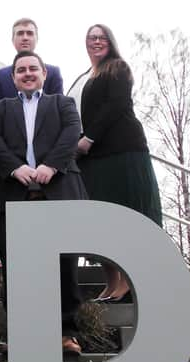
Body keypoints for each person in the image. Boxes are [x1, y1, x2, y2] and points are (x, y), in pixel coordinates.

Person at [0, 51, 86, 354]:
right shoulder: (1, 108)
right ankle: (21, 335)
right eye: (21, 70)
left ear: (44, 73)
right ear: (13, 78)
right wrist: (16, 168)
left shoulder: (63, 103)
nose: (27, 73)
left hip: (58, 192)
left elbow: (71, 135)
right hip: (12, 195)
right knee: (15, 267)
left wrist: (50, 166)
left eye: (33, 69)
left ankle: (66, 333)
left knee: (64, 265)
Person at [77, 24, 162, 303]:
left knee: (128, 213)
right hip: (96, 161)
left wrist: (88, 138)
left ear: (110, 42)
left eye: (101, 37)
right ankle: (111, 281)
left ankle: (127, 281)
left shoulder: (118, 68)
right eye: (91, 38)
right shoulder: (90, 76)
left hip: (123, 152)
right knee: (101, 222)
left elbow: (115, 106)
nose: (96, 41)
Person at [0, 18, 63, 104]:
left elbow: (59, 108)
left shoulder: (53, 72)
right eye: (20, 33)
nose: (25, 38)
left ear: (37, 39)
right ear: (13, 40)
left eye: (30, 33)